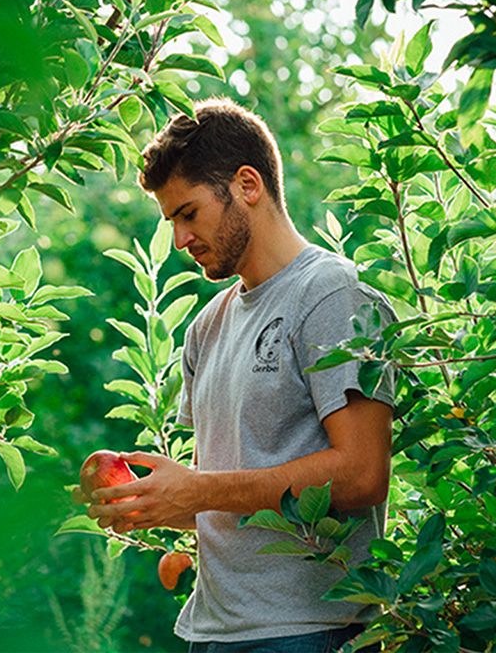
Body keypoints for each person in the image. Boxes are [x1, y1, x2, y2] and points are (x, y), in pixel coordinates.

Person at [83, 98, 395, 652]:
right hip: (213, 631)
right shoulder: (206, 327)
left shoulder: (328, 294)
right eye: (171, 221)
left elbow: (362, 473)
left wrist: (198, 489)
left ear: (247, 185)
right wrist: (157, 500)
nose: (180, 240)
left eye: (188, 213)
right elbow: (233, 495)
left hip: (309, 631)